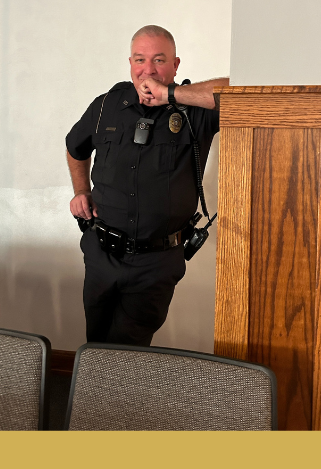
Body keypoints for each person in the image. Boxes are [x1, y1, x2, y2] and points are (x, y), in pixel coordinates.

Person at [66, 25, 229, 346]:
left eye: (159, 60)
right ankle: (91, 396)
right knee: (95, 342)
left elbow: (239, 92)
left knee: (128, 348)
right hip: (101, 253)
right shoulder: (105, 106)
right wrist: (80, 191)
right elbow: (75, 147)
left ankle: (114, 395)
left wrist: (171, 94)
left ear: (176, 65)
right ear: (129, 63)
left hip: (155, 263)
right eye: (140, 60)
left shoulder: (195, 111)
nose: (148, 69)